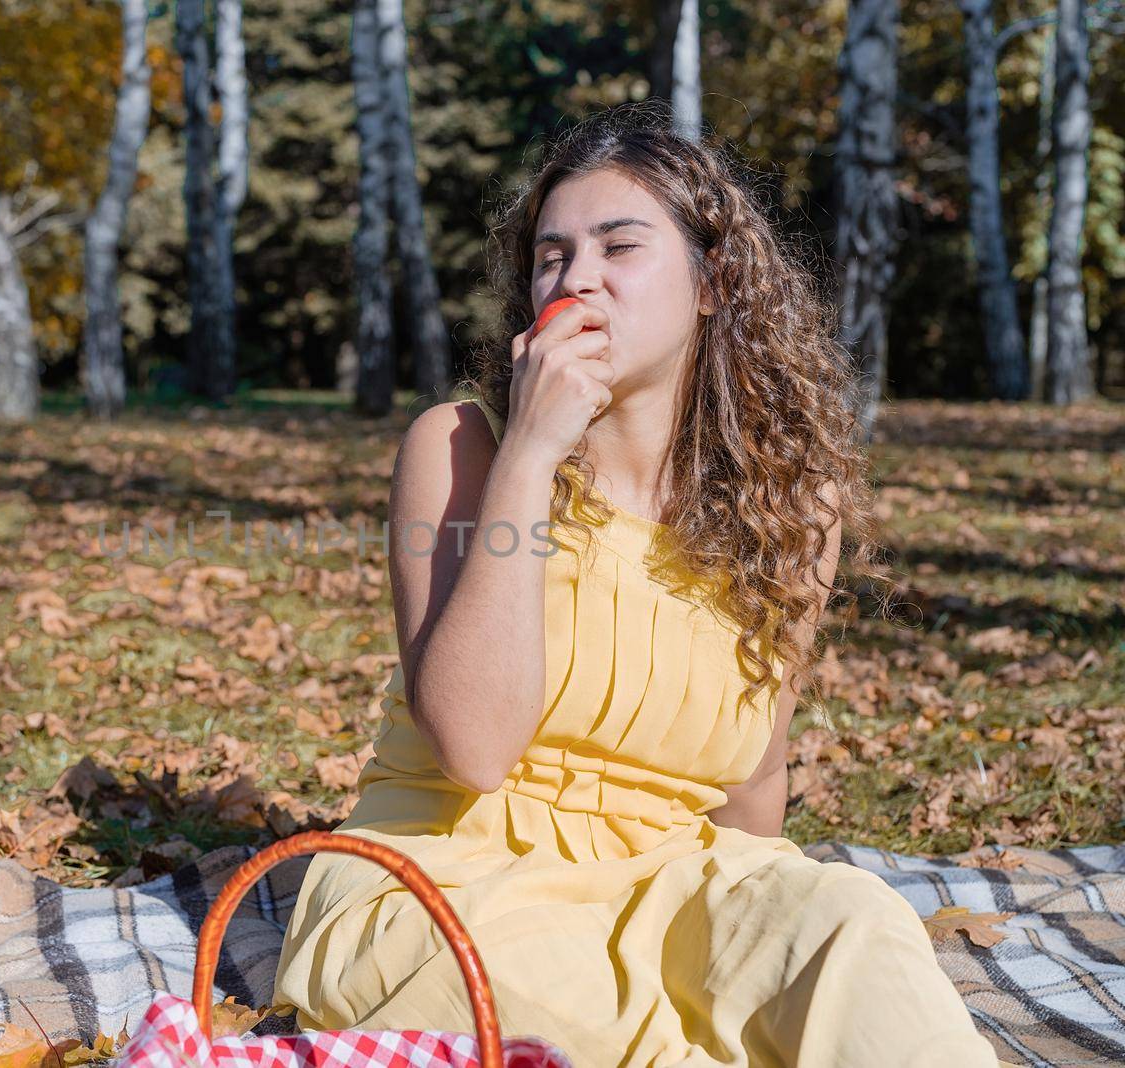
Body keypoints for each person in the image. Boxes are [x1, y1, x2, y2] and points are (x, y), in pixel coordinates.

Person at [271, 104, 1005, 1066]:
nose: (575, 278)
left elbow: (755, 768)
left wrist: (765, 934)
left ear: (713, 284)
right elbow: (475, 749)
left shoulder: (791, 504)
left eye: (619, 245)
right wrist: (533, 453)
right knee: (562, 1005)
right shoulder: (463, 448)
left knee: (848, 923)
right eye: (550, 255)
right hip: (452, 882)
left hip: (661, 880)